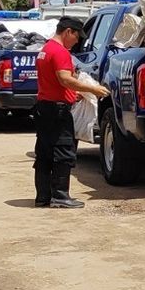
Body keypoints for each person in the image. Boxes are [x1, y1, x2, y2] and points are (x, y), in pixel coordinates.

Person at [33, 17, 108, 209]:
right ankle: (60, 196)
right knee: (64, 152)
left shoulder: (45, 50)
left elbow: (54, 82)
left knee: (44, 153)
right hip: (57, 111)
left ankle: (43, 197)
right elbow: (64, 79)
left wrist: (72, 95)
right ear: (68, 32)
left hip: (44, 107)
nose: (77, 41)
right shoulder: (60, 52)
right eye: (76, 37)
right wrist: (93, 90)